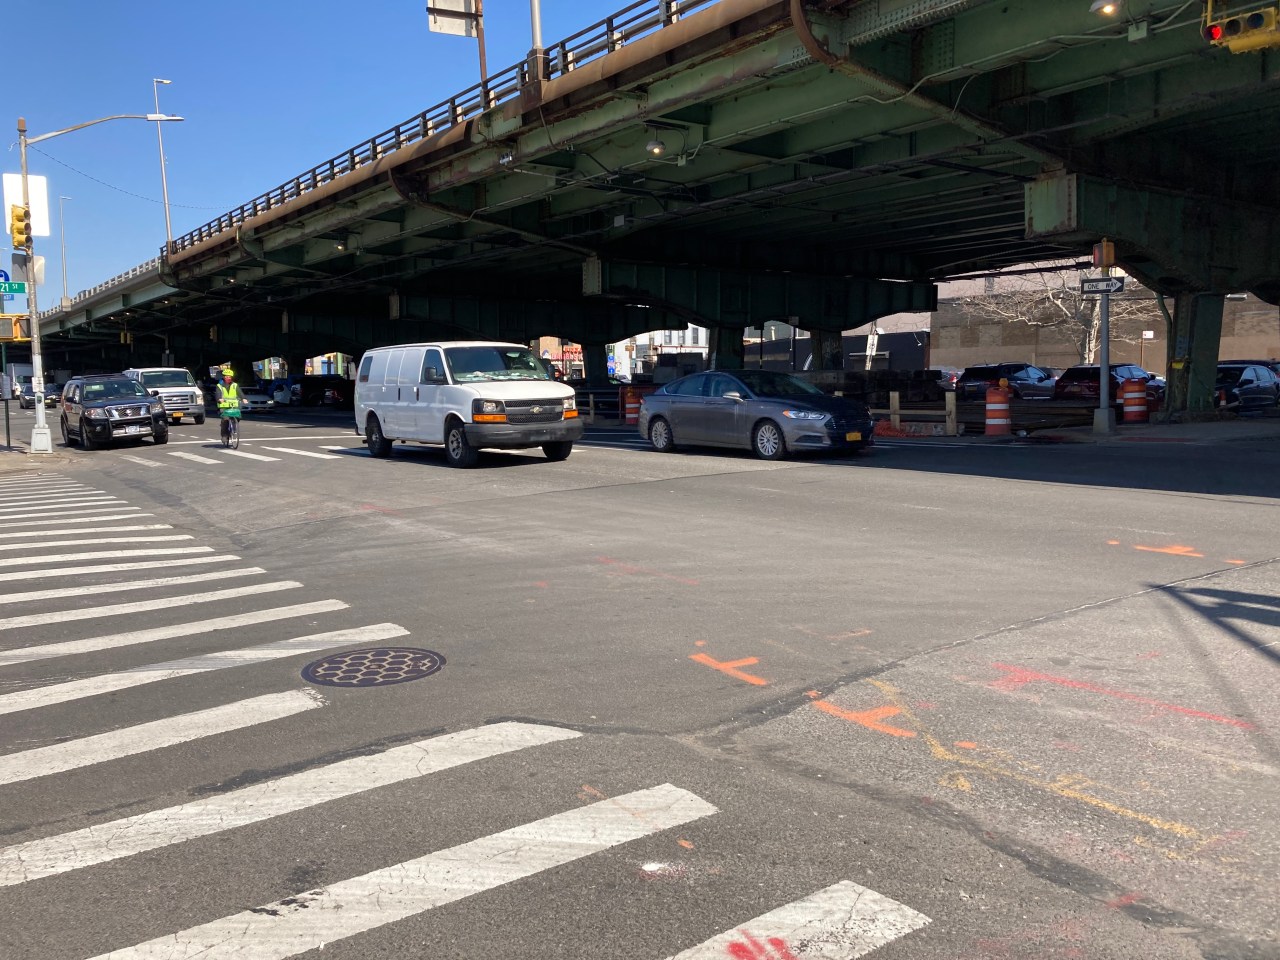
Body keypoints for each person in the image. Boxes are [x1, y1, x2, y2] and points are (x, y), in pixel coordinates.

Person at [216, 369, 242, 440]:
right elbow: (218, 394)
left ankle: (234, 426)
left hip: (233, 406)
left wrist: (244, 398)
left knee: (238, 416)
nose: (229, 378)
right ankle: (224, 435)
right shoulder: (219, 386)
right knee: (225, 419)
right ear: (224, 377)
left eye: (230, 376)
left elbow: (240, 393)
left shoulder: (235, 385)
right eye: (227, 376)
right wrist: (219, 399)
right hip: (223, 406)